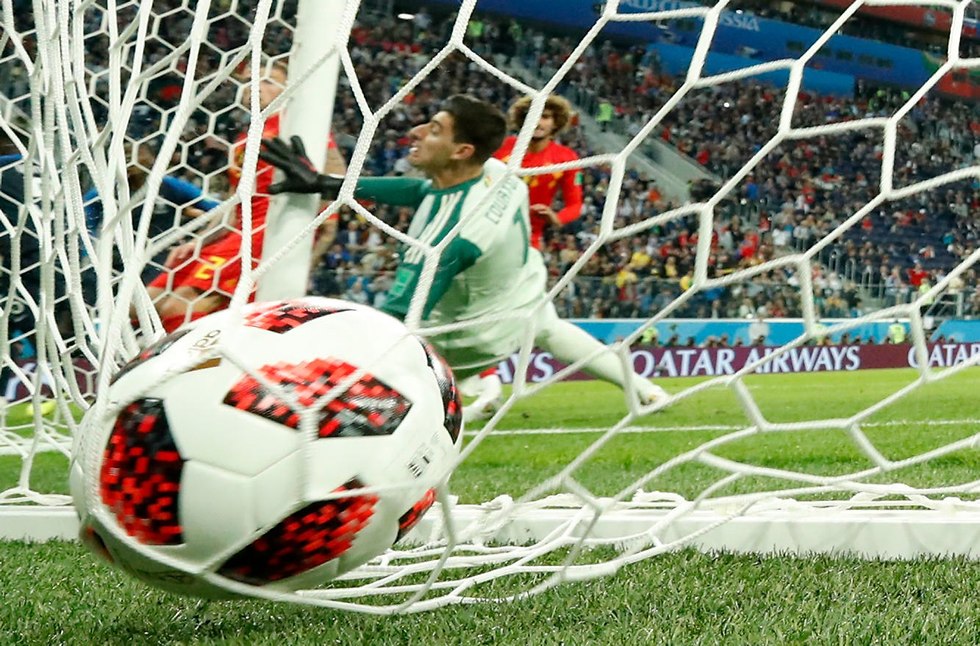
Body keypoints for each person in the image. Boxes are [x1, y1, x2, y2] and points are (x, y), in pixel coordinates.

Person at [260, 94, 667, 416]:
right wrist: (327, 183)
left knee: (388, 378)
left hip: (474, 332)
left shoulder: (448, 239)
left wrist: (329, 362)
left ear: (461, 150)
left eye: (434, 129)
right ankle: (644, 389)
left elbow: (402, 312)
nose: (416, 131)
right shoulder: (498, 170)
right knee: (553, 331)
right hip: (521, 284)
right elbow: (419, 190)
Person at [146, 59, 346, 333]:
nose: (256, 87)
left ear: (289, 89)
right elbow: (233, 204)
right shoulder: (246, 136)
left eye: (268, 81)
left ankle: (202, 358)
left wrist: (318, 242)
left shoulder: (298, 126)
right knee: (148, 302)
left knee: (178, 308)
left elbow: (335, 182)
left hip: (268, 232)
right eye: (251, 81)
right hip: (236, 232)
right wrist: (198, 241)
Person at [465, 95, 586, 420]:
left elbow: (575, 204)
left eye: (546, 116)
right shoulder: (502, 149)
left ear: (556, 122)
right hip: (483, 235)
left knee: (494, 313)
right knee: (484, 312)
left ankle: (488, 387)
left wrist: (557, 217)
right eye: (534, 115)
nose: (540, 122)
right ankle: (487, 386)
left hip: (526, 242)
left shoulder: (565, 158)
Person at [82, 142, 221, 283]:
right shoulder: (104, 193)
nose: (129, 156)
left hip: (160, 257)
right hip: (119, 259)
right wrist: (87, 256)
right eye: (124, 153)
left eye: (138, 152)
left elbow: (218, 209)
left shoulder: (170, 186)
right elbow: (86, 227)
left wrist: (196, 240)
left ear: (153, 159)